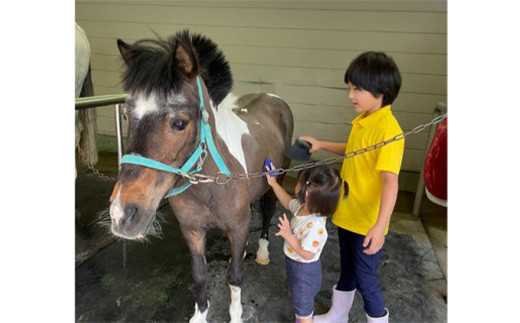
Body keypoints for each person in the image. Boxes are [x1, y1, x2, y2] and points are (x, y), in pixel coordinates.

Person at [300, 51, 404, 323]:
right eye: (350, 88)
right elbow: (354, 151)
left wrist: (380, 226)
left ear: (380, 90)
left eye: (357, 89)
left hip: (367, 221)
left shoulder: (388, 130)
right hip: (348, 211)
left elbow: (390, 181)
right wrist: (321, 145)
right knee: (347, 268)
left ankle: (378, 319)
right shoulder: (365, 120)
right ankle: (338, 314)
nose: (350, 95)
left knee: (367, 277)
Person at [264, 164, 347, 323]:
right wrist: (273, 183)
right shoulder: (305, 207)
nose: (295, 185)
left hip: (304, 273)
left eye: (297, 183)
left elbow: (308, 253)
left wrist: (288, 236)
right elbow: (288, 202)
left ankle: (304, 319)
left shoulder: (315, 226)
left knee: (303, 309)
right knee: (300, 303)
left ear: (307, 193)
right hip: (296, 266)